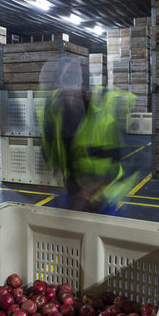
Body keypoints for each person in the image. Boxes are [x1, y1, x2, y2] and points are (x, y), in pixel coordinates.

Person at [38, 59, 141, 214]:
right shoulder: (52, 110)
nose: (67, 99)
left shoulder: (110, 109)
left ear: (84, 89)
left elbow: (130, 164)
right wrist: (49, 166)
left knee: (101, 234)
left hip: (105, 195)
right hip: (74, 190)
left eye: (72, 94)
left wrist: (97, 192)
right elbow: (49, 146)